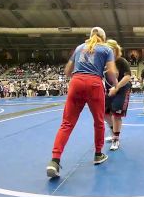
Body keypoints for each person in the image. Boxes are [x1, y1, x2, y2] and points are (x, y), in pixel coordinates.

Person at [47, 27, 118, 178]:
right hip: (94, 83)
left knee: (67, 123)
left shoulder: (80, 47)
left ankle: (54, 160)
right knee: (99, 121)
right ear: (103, 38)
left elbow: (67, 71)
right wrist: (116, 84)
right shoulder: (106, 49)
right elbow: (111, 72)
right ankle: (98, 154)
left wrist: (78, 77)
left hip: (76, 81)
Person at [104, 39, 132, 151]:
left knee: (116, 114)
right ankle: (113, 133)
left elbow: (127, 77)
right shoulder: (104, 62)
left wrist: (116, 88)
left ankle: (116, 139)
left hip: (122, 88)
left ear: (115, 50)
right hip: (109, 89)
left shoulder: (121, 61)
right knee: (104, 113)